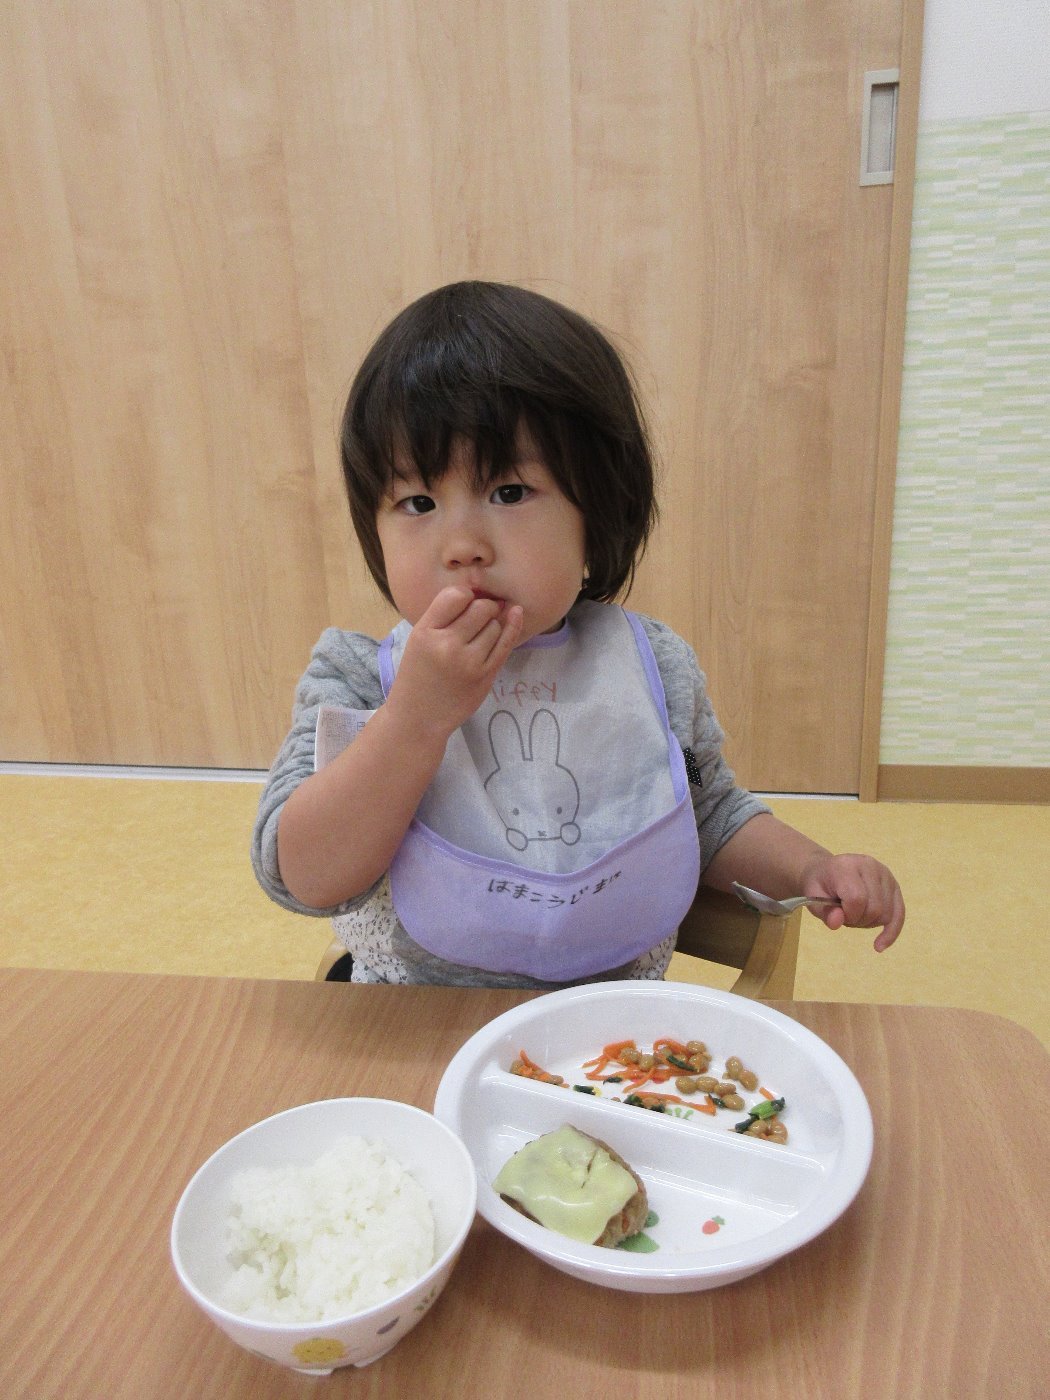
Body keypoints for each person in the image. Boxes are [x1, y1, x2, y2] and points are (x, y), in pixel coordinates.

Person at [252, 281, 905, 986]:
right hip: (416, 1026)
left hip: (612, 1034)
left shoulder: (650, 664)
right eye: (417, 502)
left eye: (508, 492)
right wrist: (413, 719)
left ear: (598, 513)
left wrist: (811, 867)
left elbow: (708, 814)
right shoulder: (357, 676)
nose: (462, 545)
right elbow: (302, 877)